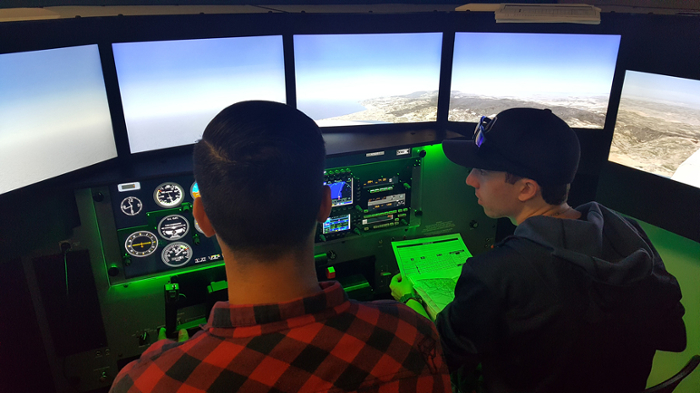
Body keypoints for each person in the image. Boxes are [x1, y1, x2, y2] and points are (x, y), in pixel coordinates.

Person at [110, 101, 451, 393]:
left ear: (202, 218)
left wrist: (170, 355)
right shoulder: (411, 337)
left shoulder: (147, 383)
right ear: (325, 205)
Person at [390, 108, 686, 393]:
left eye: (481, 170)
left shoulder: (496, 272)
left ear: (526, 188)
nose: (470, 180)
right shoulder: (627, 232)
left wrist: (409, 301)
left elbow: (438, 354)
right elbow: (673, 334)